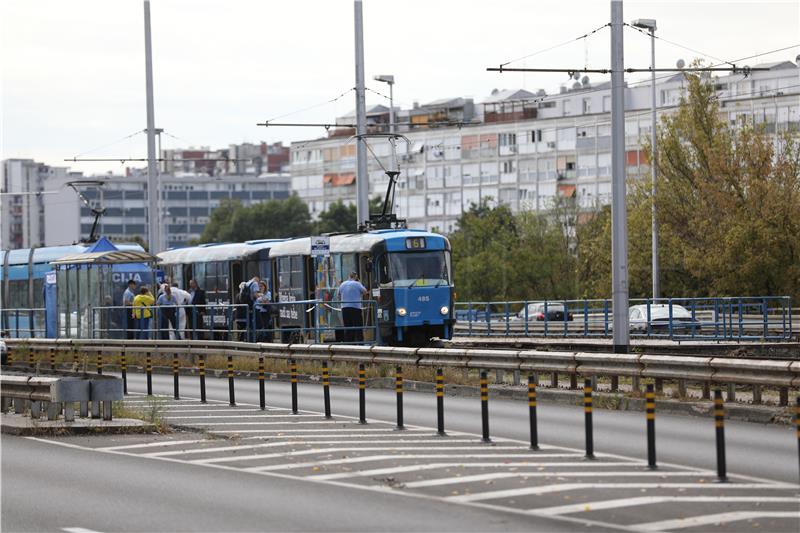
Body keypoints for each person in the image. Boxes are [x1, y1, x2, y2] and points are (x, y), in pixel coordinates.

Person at [337, 272, 368, 343]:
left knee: (348, 326)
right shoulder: (357, 284)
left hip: (345, 308)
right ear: (356, 277)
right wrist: (360, 283)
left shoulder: (342, 284)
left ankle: (349, 342)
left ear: (348, 276)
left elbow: (338, 296)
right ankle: (360, 342)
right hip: (355, 308)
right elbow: (365, 292)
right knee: (358, 326)